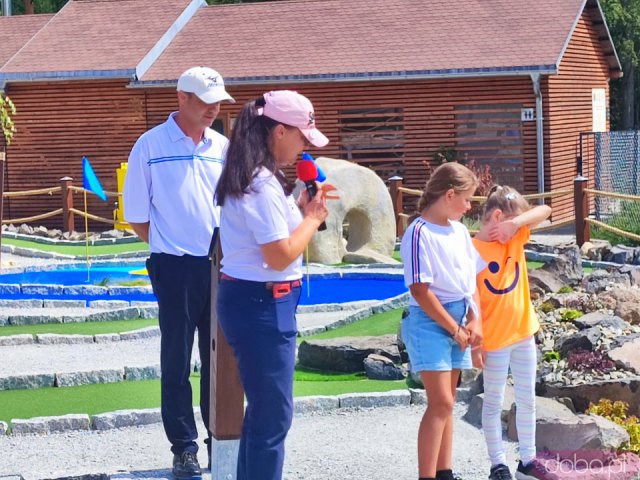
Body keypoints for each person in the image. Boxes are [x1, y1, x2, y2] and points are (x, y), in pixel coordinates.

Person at [123, 66, 235, 477]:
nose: (214, 108)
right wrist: (171, 245)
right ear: (181, 98)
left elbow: (234, 205)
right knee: (176, 359)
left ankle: (218, 442)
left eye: (218, 101)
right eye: (205, 101)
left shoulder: (222, 146)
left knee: (219, 360)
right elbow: (137, 216)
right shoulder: (149, 146)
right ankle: (183, 447)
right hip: (172, 266)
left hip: (219, 264)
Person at [215, 90, 330, 480]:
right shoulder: (260, 183)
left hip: (255, 300)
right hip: (263, 303)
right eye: (302, 137)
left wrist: (300, 211)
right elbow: (279, 255)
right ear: (280, 131)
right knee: (272, 417)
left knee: (264, 414)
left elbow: (271, 240)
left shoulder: (256, 175)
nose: (302, 148)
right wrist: (313, 219)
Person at [400, 162, 485, 480]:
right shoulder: (417, 232)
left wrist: (476, 321)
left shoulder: (460, 231)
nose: (468, 206)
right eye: (467, 199)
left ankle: (444, 472)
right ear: (450, 195)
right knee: (442, 402)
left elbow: (470, 283)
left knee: (446, 404)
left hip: (460, 319)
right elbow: (420, 291)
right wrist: (455, 329)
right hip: (429, 322)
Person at [472, 186, 555, 480]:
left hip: (523, 334)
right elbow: (471, 302)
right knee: (493, 401)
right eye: (511, 219)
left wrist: (515, 224)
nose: (520, 226)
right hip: (493, 341)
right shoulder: (471, 251)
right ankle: (498, 465)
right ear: (496, 216)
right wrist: (475, 344)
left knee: (527, 398)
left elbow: (545, 211)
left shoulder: (515, 237)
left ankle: (528, 461)